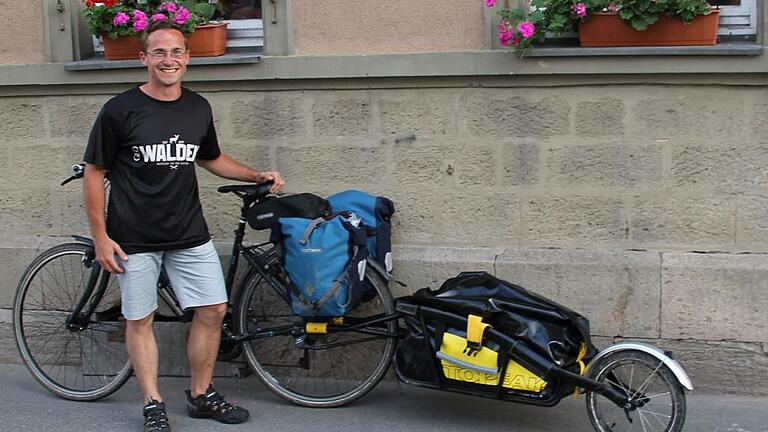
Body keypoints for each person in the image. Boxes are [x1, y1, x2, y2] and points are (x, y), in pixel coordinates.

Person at [83, 19, 284, 432]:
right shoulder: (119, 110)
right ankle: (153, 403)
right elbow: (93, 171)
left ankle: (201, 394)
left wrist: (255, 175)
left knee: (213, 309)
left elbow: (210, 157)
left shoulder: (197, 107)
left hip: (188, 232)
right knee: (140, 319)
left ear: (188, 58)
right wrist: (100, 236)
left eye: (176, 52)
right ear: (143, 58)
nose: (168, 60)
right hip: (133, 238)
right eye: (158, 52)